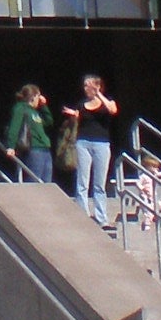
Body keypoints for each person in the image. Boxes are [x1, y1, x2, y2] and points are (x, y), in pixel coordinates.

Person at [64, 74, 118, 225]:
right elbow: (79, 117)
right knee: (82, 180)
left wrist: (98, 94)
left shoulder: (107, 103)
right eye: (85, 85)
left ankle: (101, 218)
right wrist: (73, 114)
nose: (85, 88)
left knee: (99, 183)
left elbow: (113, 111)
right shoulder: (82, 104)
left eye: (89, 85)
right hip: (83, 142)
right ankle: (83, 215)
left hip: (101, 144)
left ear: (97, 86)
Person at [4, 83, 53, 183]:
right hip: (34, 150)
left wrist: (44, 106)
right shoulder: (21, 108)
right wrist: (11, 146)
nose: (40, 99)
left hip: (45, 149)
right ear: (33, 96)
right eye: (38, 96)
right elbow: (14, 127)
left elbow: (49, 121)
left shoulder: (34, 112)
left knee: (47, 183)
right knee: (33, 181)